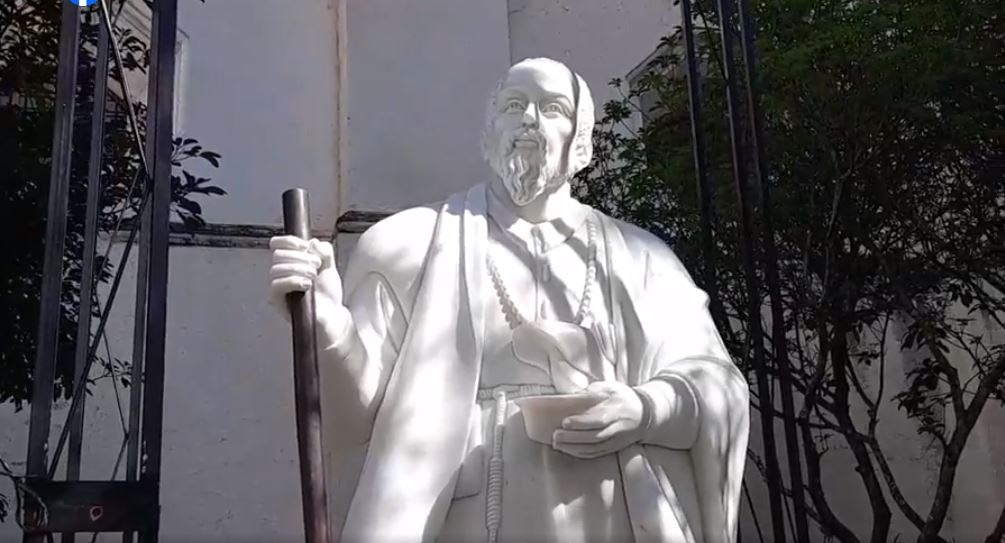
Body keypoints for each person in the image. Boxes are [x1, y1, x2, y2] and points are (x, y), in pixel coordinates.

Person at [268, 57, 749, 543]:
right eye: (514, 105)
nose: (530, 119)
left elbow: (715, 383)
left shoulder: (643, 259)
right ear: (487, 133)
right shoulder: (404, 248)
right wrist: (328, 326)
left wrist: (647, 408)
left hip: (612, 518)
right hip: (467, 516)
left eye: (553, 107)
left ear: (582, 144)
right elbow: (352, 419)